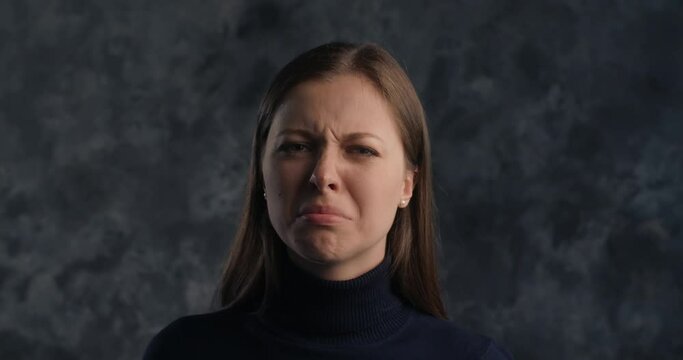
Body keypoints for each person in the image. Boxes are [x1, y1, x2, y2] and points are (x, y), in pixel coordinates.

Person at [143, 42, 513, 359]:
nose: (323, 175)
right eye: (296, 147)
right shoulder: (184, 352)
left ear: (407, 185)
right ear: (262, 174)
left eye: (361, 150)